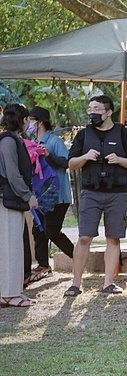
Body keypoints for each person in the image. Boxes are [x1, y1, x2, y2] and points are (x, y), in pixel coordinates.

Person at [66, 94, 127, 296]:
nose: (92, 113)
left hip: (117, 193)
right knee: (84, 237)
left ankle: (108, 283)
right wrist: (85, 157)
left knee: (113, 238)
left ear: (108, 112)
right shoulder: (83, 135)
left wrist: (120, 160)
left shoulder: (123, 133)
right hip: (91, 192)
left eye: (97, 109)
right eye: (90, 109)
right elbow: (71, 164)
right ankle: (75, 284)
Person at [26, 107, 73, 284]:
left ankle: (77, 257)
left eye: (31, 120)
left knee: (52, 230)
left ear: (39, 121)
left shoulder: (54, 141)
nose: (28, 123)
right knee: (38, 230)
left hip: (58, 195)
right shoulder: (31, 141)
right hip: (38, 195)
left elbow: (67, 163)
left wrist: (48, 154)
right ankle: (43, 265)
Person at [1, 103, 39, 309]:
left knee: (15, 244)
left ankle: (13, 291)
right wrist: (28, 196)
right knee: (9, 246)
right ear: (23, 121)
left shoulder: (12, 139)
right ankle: (8, 293)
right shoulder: (8, 141)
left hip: (11, 199)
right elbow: (12, 174)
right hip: (8, 200)